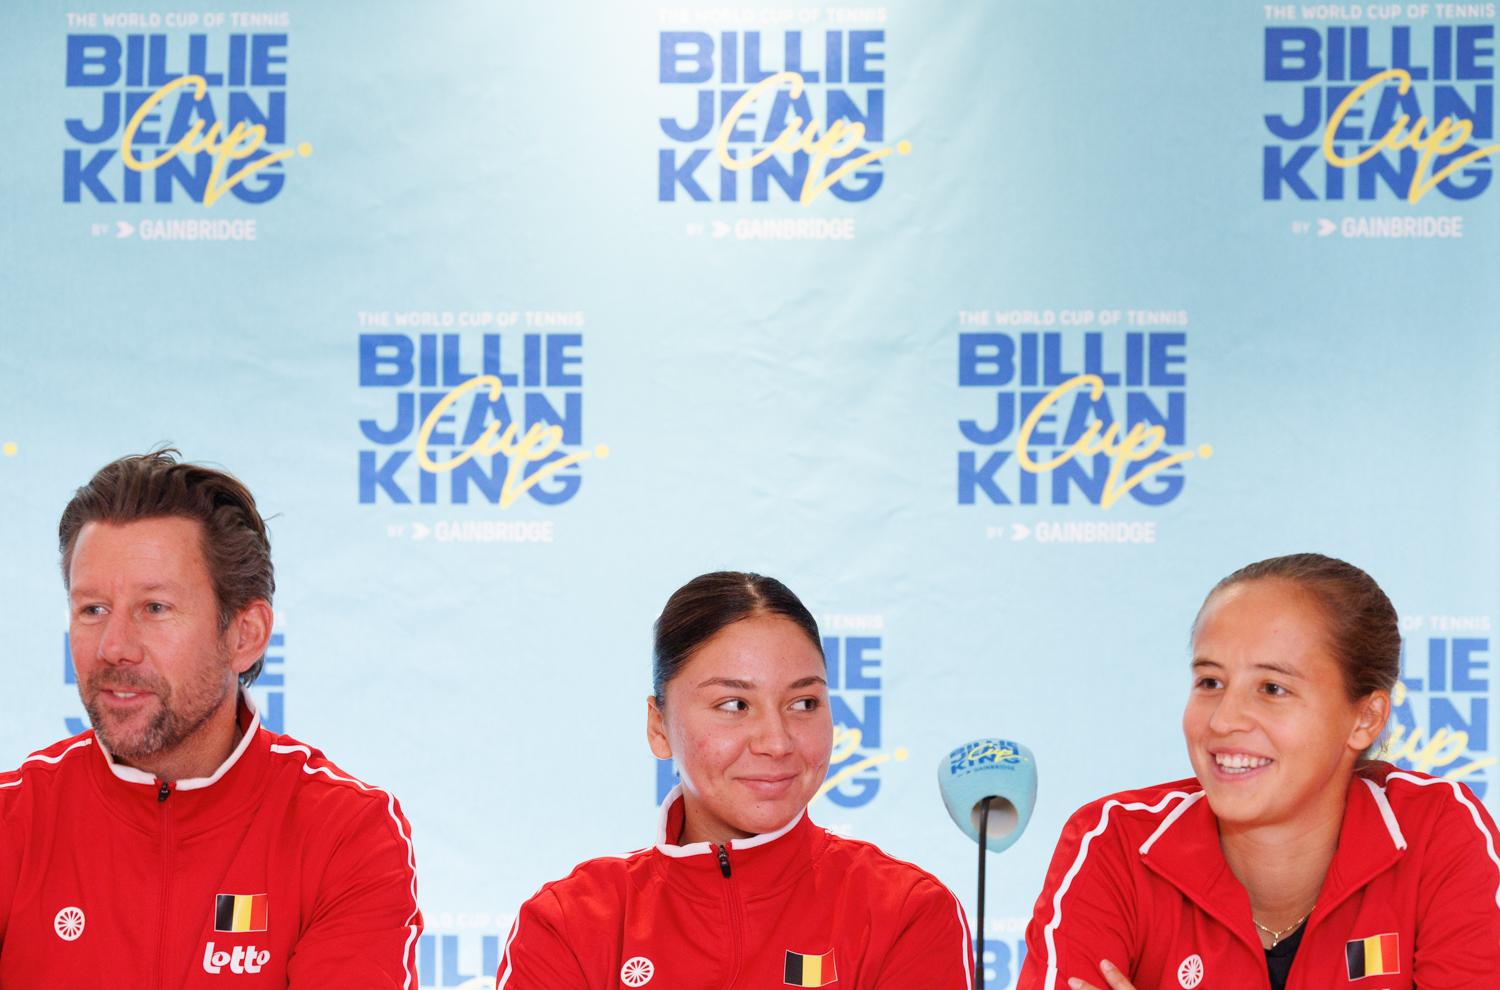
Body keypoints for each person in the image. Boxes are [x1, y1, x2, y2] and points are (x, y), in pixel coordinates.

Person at [0, 450, 422, 986]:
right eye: (92, 609)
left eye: (155, 608)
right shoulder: (11, 822)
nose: (113, 647)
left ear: (244, 635)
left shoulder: (343, 834)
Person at [1018, 553, 1500, 990]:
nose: (1224, 719)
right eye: (1210, 681)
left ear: (1365, 717)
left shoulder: (1440, 830)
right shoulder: (1113, 841)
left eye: (1272, 688)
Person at [497, 571, 972, 988]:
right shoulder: (570, 921)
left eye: (804, 703)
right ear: (658, 727)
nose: (777, 741)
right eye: (734, 705)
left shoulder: (905, 913)